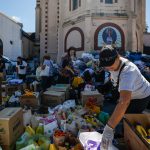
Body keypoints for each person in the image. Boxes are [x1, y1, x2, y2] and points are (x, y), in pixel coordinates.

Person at [99, 45, 150, 150]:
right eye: (106, 66)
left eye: (110, 66)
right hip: (131, 93)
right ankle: (122, 137)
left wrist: (109, 128)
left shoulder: (128, 71)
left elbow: (124, 101)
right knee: (119, 115)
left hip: (141, 96)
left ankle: (130, 142)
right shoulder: (113, 64)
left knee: (127, 119)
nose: (108, 68)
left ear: (118, 57)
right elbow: (113, 76)